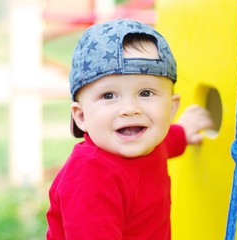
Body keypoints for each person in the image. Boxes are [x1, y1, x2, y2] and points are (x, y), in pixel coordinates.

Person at [46, 18, 213, 239]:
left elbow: (167, 142)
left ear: (171, 108)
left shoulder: (150, 143)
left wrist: (184, 131)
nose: (130, 109)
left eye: (146, 93)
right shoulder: (91, 179)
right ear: (82, 116)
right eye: (108, 95)